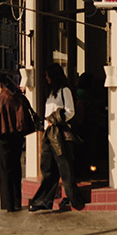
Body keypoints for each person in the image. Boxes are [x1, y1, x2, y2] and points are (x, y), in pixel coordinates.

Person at [29, 63, 85, 212]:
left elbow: (70, 111)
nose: (46, 78)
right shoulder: (51, 93)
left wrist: (54, 120)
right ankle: (43, 200)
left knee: (64, 168)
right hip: (49, 134)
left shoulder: (64, 91)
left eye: (48, 75)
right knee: (47, 167)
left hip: (59, 134)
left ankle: (75, 199)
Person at [0, 73, 28, 212]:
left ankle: (8, 203)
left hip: (2, 139)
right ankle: (17, 201)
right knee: (16, 168)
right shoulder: (17, 99)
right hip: (17, 138)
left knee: (4, 171)